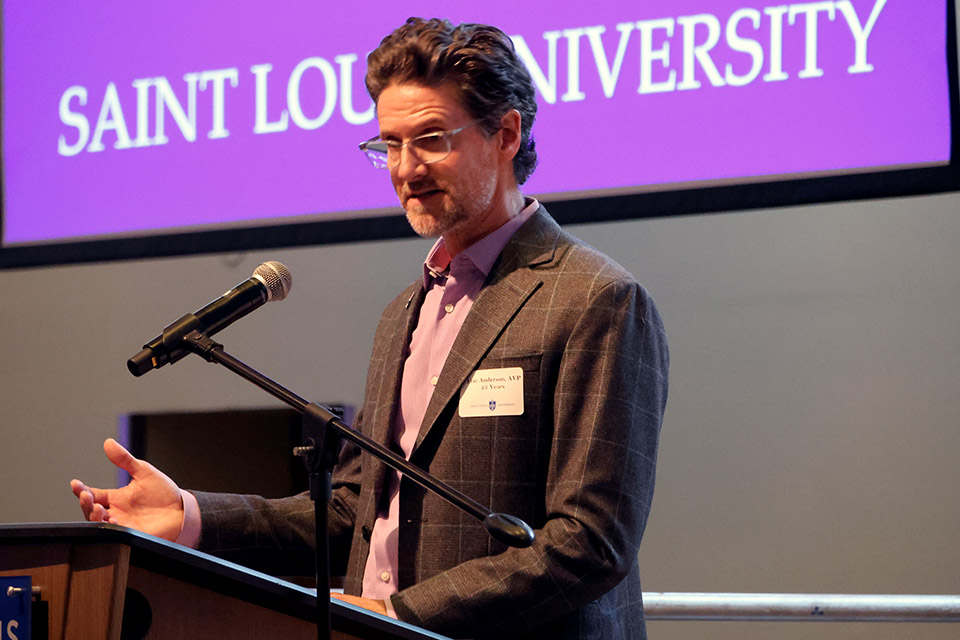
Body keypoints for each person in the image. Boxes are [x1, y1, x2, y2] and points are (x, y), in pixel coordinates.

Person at [71, 18, 669, 640]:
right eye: (390, 144)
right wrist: (192, 517)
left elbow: (590, 542)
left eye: (431, 139)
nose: (406, 170)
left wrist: (401, 617)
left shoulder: (596, 299)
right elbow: (352, 513)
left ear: (506, 133)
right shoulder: (402, 316)